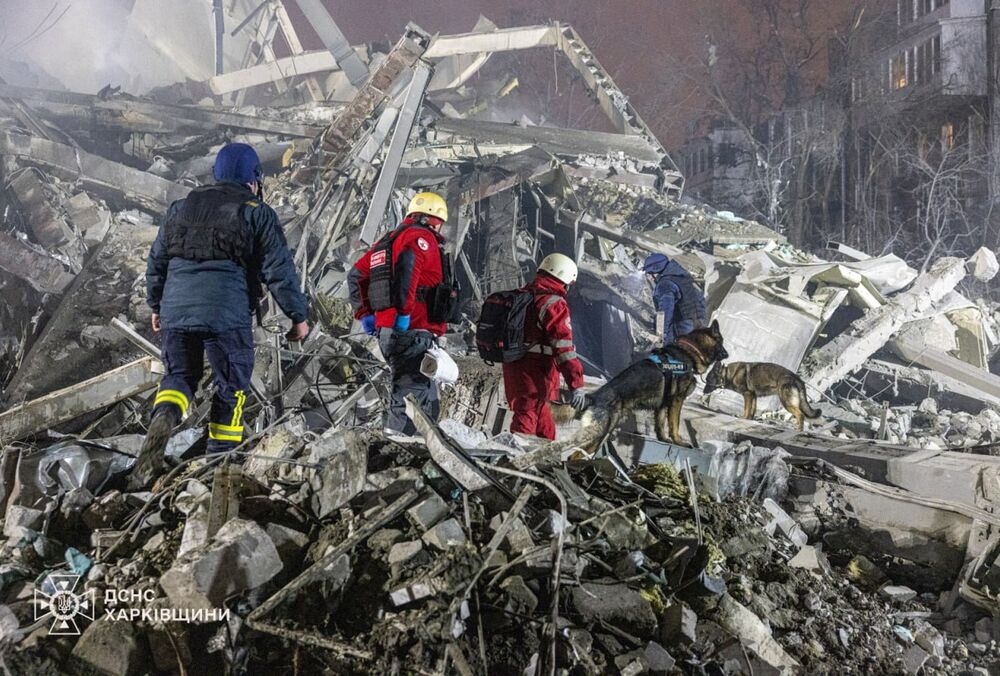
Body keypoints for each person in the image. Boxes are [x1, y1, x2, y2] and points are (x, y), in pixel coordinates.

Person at [131, 143, 309, 488]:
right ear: (254, 180)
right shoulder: (256, 211)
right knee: (232, 386)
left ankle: (164, 417)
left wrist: (156, 306)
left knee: (179, 377)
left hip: (176, 310)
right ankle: (218, 465)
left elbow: (157, 262)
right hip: (225, 312)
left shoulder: (181, 208)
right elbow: (278, 269)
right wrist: (297, 315)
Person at [349, 192, 455, 435]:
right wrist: (404, 313)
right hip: (412, 330)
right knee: (410, 403)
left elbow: (355, 276)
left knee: (426, 400)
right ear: (433, 219)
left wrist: (365, 314)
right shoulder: (420, 238)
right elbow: (408, 273)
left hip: (390, 333)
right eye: (439, 222)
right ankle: (396, 455)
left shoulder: (386, 242)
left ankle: (418, 455)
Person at [502, 254, 586, 440]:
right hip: (537, 370)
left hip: (514, 363)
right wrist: (576, 384)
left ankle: (546, 460)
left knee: (542, 417)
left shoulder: (522, 295)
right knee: (528, 413)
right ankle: (518, 460)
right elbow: (564, 347)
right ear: (564, 279)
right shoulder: (554, 303)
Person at [643, 253, 707, 346]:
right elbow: (700, 299)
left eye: (650, 273)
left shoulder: (665, 284)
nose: (650, 277)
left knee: (676, 356)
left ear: (656, 269)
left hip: (681, 327)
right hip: (697, 323)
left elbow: (665, 309)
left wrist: (660, 334)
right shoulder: (683, 277)